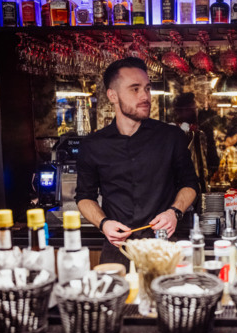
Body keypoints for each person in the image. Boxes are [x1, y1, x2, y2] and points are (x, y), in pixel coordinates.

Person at [75, 57, 200, 265]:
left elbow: (190, 184)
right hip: (118, 251)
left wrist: (174, 212)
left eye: (147, 88)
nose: (145, 96)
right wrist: (103, 223)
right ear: (112, 95)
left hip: (165, 248)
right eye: (135, 89)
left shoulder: (171, 137)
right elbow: (84, 197)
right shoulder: (93, 145)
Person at [172, 92, 219, 192]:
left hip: (201, 187)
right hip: (180, 188)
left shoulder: (204, 132)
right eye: (189, 109)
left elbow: (213, 160)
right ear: (178, 112)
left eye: (194, 109)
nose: (194, 112)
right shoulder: (172, 133)